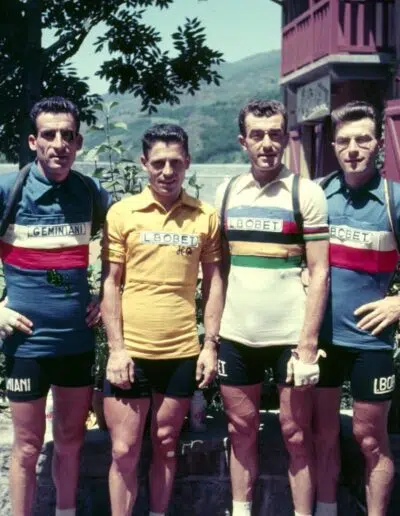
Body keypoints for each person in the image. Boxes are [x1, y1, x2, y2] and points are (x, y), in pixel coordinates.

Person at [101, 123, 224, 516]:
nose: (167, 171)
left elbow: (214, 283)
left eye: (175, 162)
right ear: (144, 163)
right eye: (158, 163)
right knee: (124, 449)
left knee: (167, 444)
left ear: (187, 162)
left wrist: (210, 345)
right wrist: (116, 349)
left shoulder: (204, 216)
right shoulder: (122, 213)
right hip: (131, 353)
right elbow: (110, 283)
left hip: (181, 352)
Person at [215, 100, 330, 516]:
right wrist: (211, 338)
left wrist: (308, 344)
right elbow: (219, 270)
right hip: (236, 334)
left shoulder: (306, 192)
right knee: (240, 430)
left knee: (296, 434)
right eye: (257, 135)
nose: (267, 143)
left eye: (275, 134)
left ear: (285, 138)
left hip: (289, 336)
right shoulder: (226, 192)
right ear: (242, 140)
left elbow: (320, 271)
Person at [0, 96, 110, 516]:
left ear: (78, 142)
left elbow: (124, 242)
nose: (59, 143)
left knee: (70, 441)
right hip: (26, 345)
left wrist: (106, 296)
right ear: (34, 141)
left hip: (76, 342)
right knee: (27, 447)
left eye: (68, 135)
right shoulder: (8, 190)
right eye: (49, 134)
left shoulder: (90, 192)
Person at [314, 101, 397, 516]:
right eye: (344, 141)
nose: (353, 149)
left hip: (372, 344)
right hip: (322, 340)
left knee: (370, 439)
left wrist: (398, 302)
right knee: (323, 435)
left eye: (363, 140)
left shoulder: (394, 199)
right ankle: (326, 510)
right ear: (333, 145)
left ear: (378, 143)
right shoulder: (317, 194)